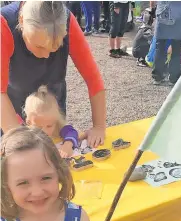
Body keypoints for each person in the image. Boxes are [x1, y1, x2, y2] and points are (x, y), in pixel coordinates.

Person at [1, 1, 106, 148]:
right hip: (11, 112)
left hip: (52, 108)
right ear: (21, 20)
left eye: (55, 47)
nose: (45, 55)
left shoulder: (67, 20)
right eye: (39, 46)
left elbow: (93, 77)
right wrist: (19, 144)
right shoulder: (3, 24)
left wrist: (99, 127)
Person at [23, 85, 80, 158]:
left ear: (55, 121)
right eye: (39, 127)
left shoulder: (58, 128)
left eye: (49, 126)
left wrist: (68, 144)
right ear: (28, 122)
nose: (45, 131)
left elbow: (72, 132)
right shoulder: (24, 135)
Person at [150, 1, 181, 85]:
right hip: (179, 15)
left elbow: (152, 2)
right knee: (177, 50)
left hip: (163, 14)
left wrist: (152, 7)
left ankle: (157, 77)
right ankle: (173, 78)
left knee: (160, 48)